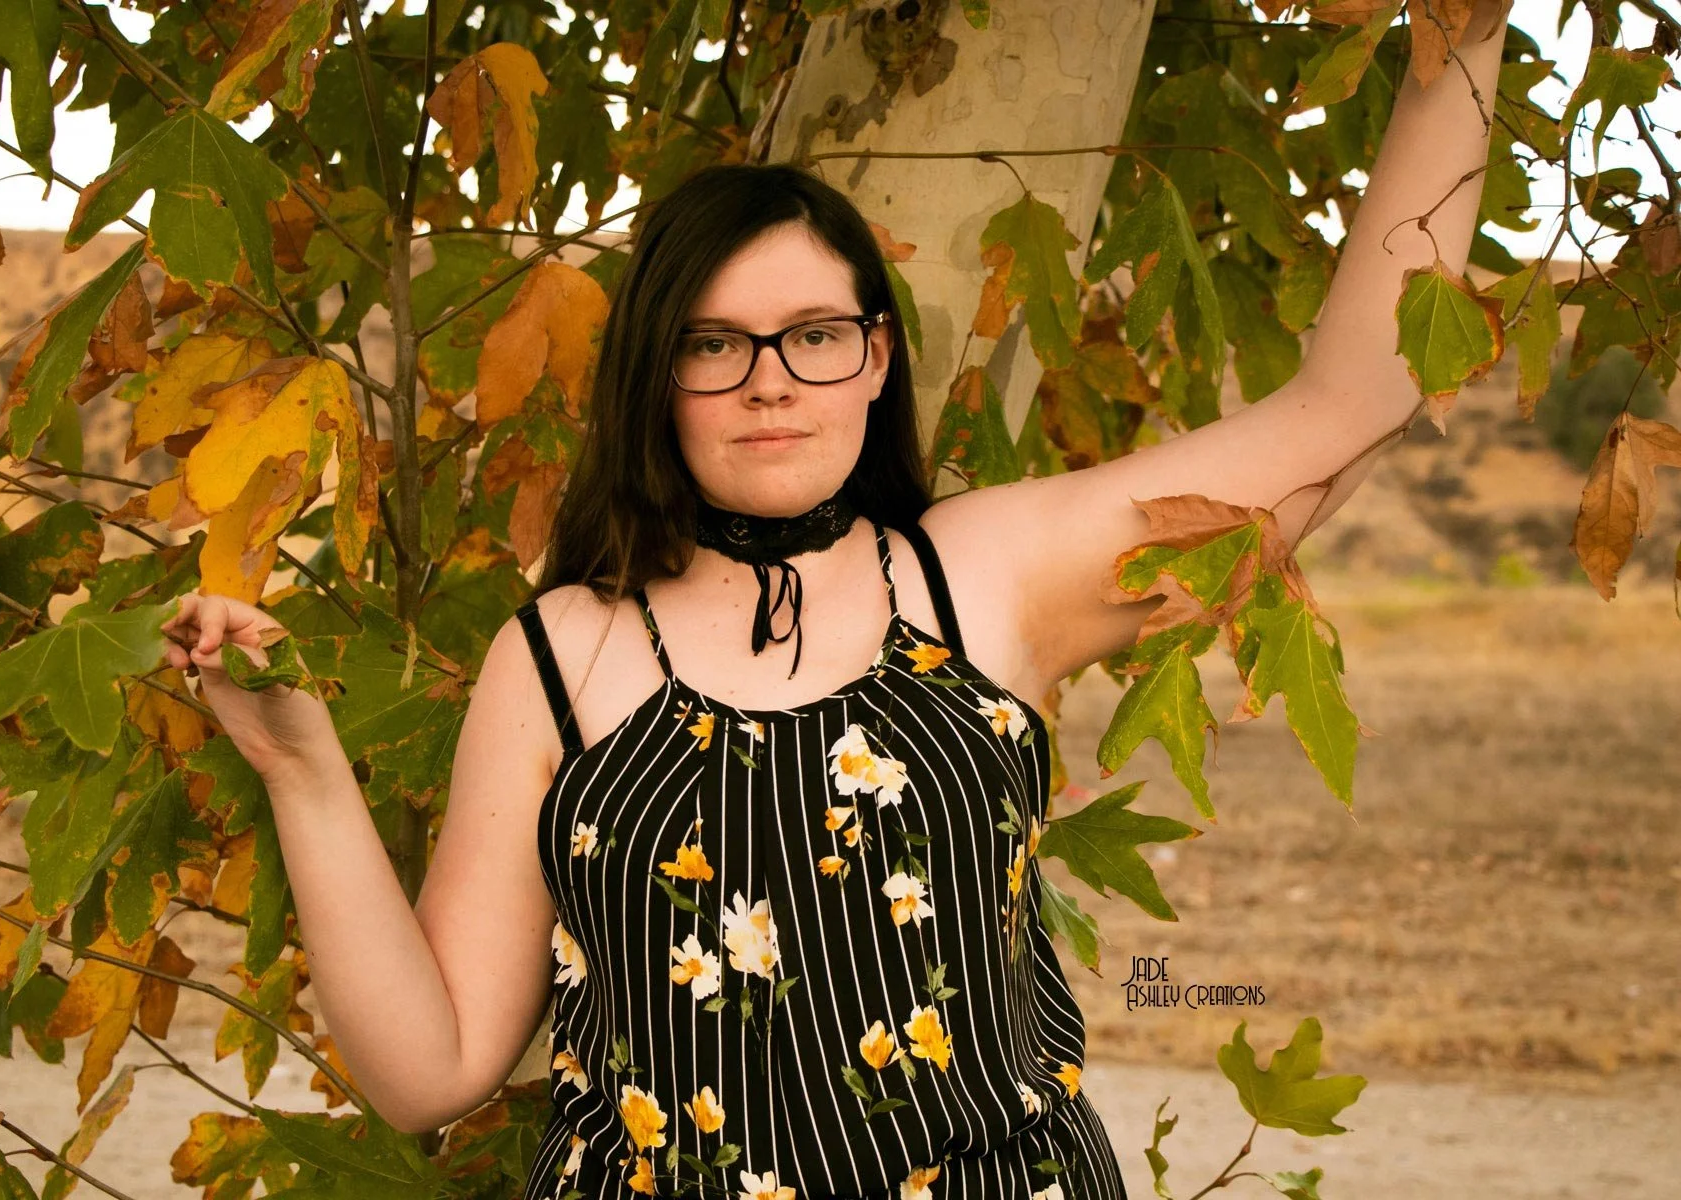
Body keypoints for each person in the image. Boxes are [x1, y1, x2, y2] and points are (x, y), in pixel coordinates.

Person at [159, 5, 1508, 1194]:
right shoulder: (560, 655)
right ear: (655, 373)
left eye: (813, 336)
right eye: (715, 343)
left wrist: (1465, 32)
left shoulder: (979, 576)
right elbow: (433, 1071)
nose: (769, 382)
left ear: (874, 361)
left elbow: (1353, 403)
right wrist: (303, 773)